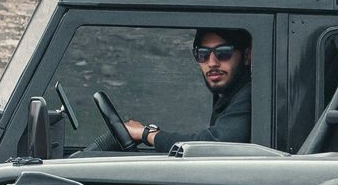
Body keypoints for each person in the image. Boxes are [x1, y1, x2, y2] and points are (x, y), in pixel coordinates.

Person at [92, 28, 254, 152]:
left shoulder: (253, 96)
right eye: (203, 54)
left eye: (223, 53)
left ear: (247, 56)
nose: (212, 63)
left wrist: (147, 134)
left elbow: (215, 145)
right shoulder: (228, 95)